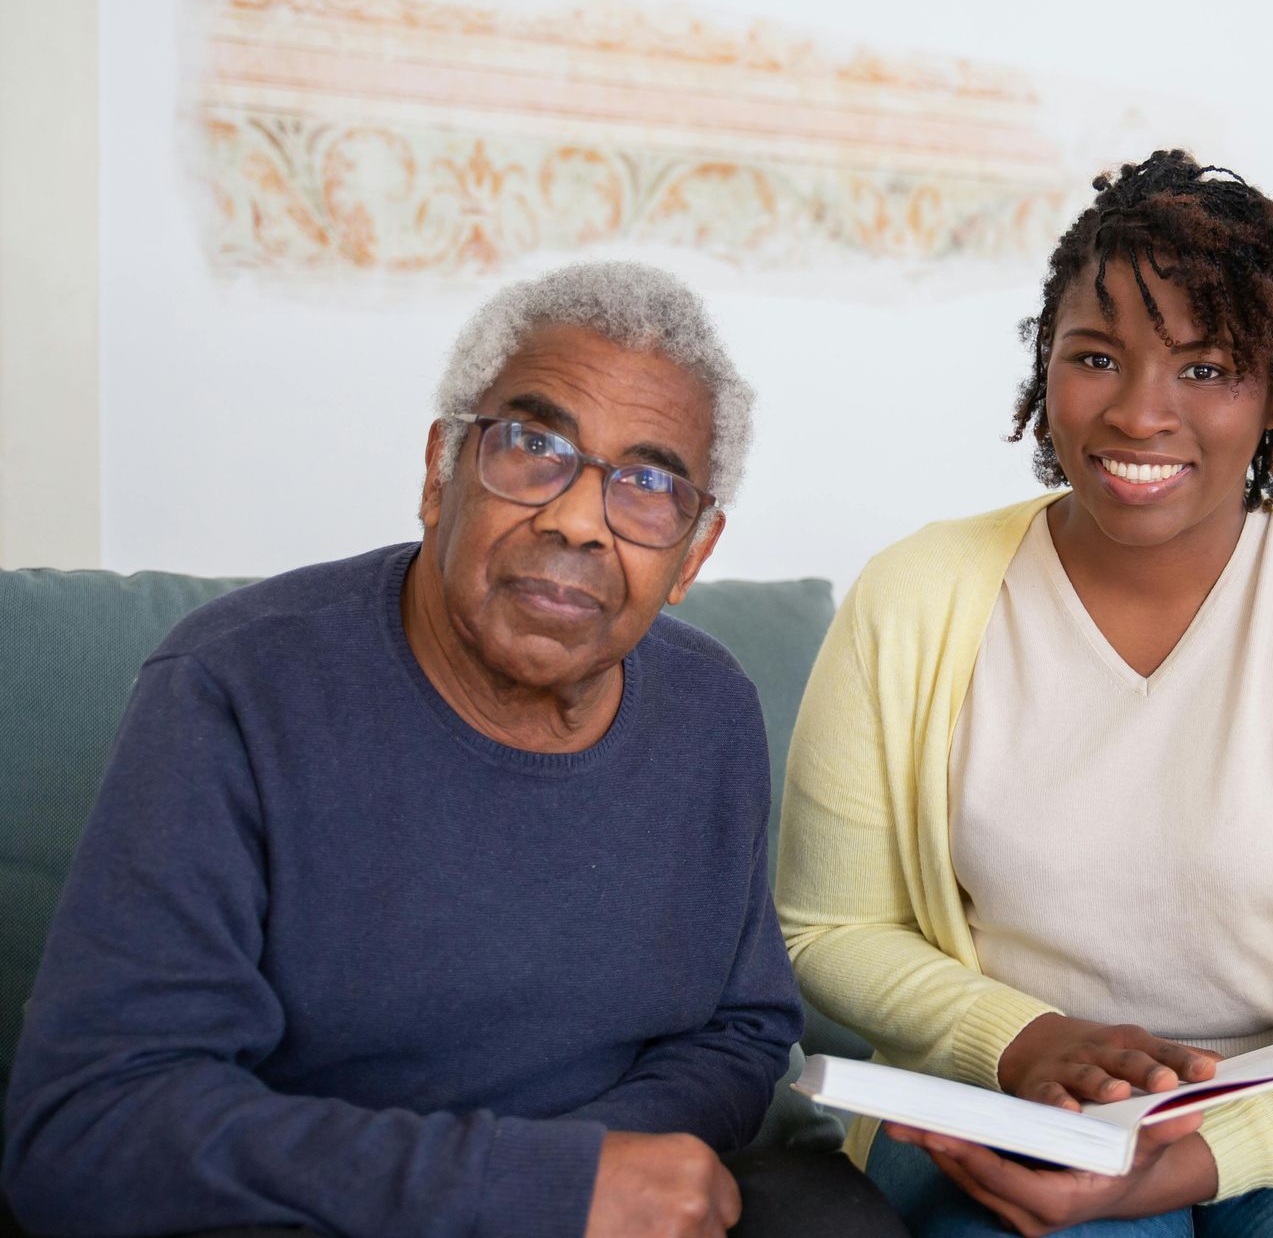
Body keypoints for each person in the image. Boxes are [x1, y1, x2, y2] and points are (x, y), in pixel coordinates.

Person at [4, 262, 904, 1238]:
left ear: (693, 553)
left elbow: (740, 1027)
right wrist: (528, 1188)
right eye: (534, 445)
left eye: (647, 483)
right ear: (441, 472)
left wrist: (595, 1171)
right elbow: (88, 1123)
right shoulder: (234, 687)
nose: (573, 519)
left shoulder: (710, 707)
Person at [775, 152, 1273, 1237]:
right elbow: (832, 924)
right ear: (1045, 369)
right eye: (1097, 356)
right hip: (1017, 1096)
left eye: (1207, 368)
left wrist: (1173, 1166)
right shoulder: (915, 595)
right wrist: (1023, 1037)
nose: (1141, 413)